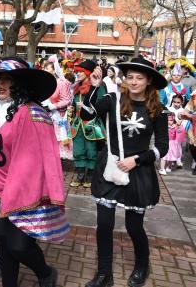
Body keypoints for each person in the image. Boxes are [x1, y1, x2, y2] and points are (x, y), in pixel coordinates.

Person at [0, 57, 63, 287]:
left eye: (8, 79)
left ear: (20, 85)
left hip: (24, 191)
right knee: (3, 241)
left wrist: (14, 188)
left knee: (19, 245)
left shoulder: (33, 113)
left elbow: (36, 160)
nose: (1, 84)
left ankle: (45, 273)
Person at [82, 56, 168, 287]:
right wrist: (93, 87)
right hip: (110, 169)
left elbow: (162, 147)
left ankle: (142, 265)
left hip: (138, 174)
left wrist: (137, 160)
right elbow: (87, 115)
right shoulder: (113, 99)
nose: (134, 81)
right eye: (130, 77)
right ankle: (104, 274)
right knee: (104, 225)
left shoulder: (157, 110)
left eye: (139, 77)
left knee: (134, 227)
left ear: (149, 80)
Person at [70, 60, 105, 188]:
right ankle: (80, 176)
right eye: (77, 72)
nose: (77, 74)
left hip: (91, 124)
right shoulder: (77, 89)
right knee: (78, 149)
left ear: (87, 73)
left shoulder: (97, 87)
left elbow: (101, 104)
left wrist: (85, 106)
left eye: (80, 72)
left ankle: (89, 177)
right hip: (77, 124)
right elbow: (73, 104)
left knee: (91, 150)